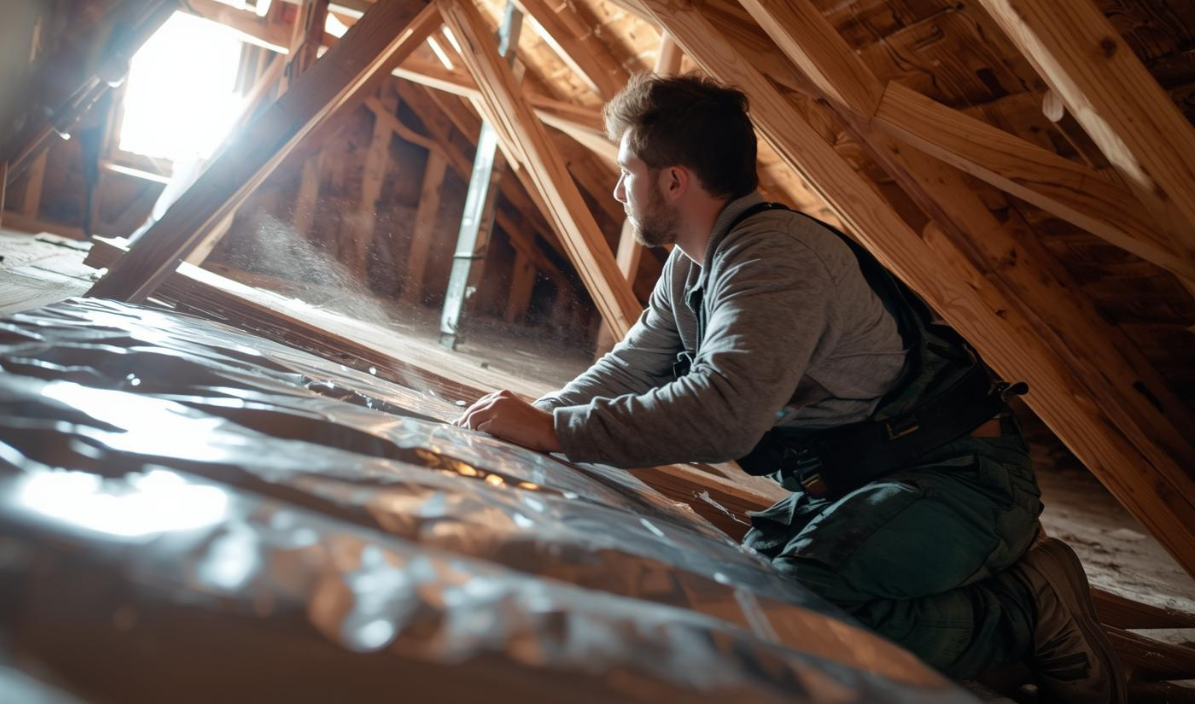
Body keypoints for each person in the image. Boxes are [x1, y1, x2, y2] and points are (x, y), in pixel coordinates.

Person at [455, 73, 1124, 701]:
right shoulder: (690, 269)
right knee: (738, 584)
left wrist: (555, 431)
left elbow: (725, 414)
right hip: (869, 481)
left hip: (959, 478)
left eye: (627, 171)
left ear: (674, 180)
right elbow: (631, 367)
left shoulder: (772, 256)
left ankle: (1025, 610)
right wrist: (529, 415)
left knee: (792, 615)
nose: (617, 191)